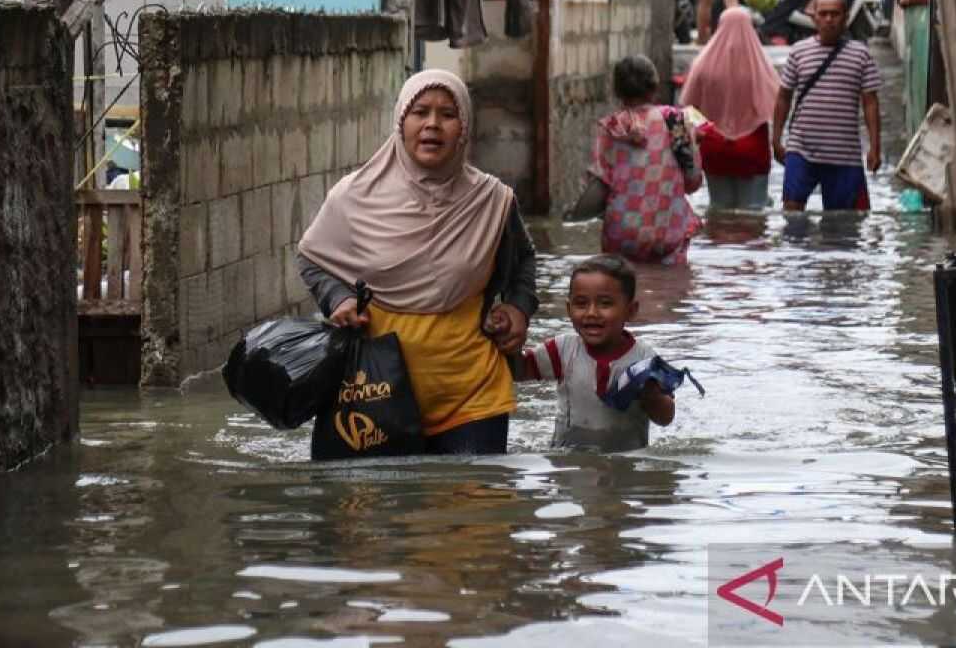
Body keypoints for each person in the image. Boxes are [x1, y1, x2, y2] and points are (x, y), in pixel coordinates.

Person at [297, 69, 538, 456]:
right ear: (400, 122)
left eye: (447, 113)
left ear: (464, 127)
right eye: (420, 112)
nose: (432, 124)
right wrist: (337, 299)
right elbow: (313, 259)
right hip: (374, 393)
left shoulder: (493, 201)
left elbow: (524, 260)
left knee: (478, 511)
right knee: (379, 513)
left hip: (471, 395)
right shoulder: (353, 198)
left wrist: (518, 308)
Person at [518, 254, 675, 451]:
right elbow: (518, 371)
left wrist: (652, 396)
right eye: (581, 303)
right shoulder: (562, 350)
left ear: (631, 310)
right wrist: (511, 340)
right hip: (568, 464)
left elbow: (665, 418)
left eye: (605, 303)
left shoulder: (644, 358)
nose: (591, 313)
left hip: (626, 465)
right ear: (568, 309)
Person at [565, 55, 703, 265]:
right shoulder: (676, 121)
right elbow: (692, 181)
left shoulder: (609, 127)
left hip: (621, 234)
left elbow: (599, 187)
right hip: (668, 230)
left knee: (623, 289)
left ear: (617, 91)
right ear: (654, 86)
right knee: (672, 291)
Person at [772, 0, 882, 211]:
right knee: (792, 216)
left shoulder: (861, 55)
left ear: (846, 17)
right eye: (823, 14)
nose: (829, 19)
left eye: (835, 14)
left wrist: (875, 148)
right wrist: (775, 140)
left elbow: (870, 103)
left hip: (844, 154)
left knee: (841, 224)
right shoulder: (798, 52)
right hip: (800, 149)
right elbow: (784, 97)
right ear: (814, 18)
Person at [679, 7, 780, 210]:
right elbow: (777, 105)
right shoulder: (759, 65)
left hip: (715, 146)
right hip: (752, 146)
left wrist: (707, 132)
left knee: (718, 209)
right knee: (754, 211)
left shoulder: (702, 65)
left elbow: (688, 110)